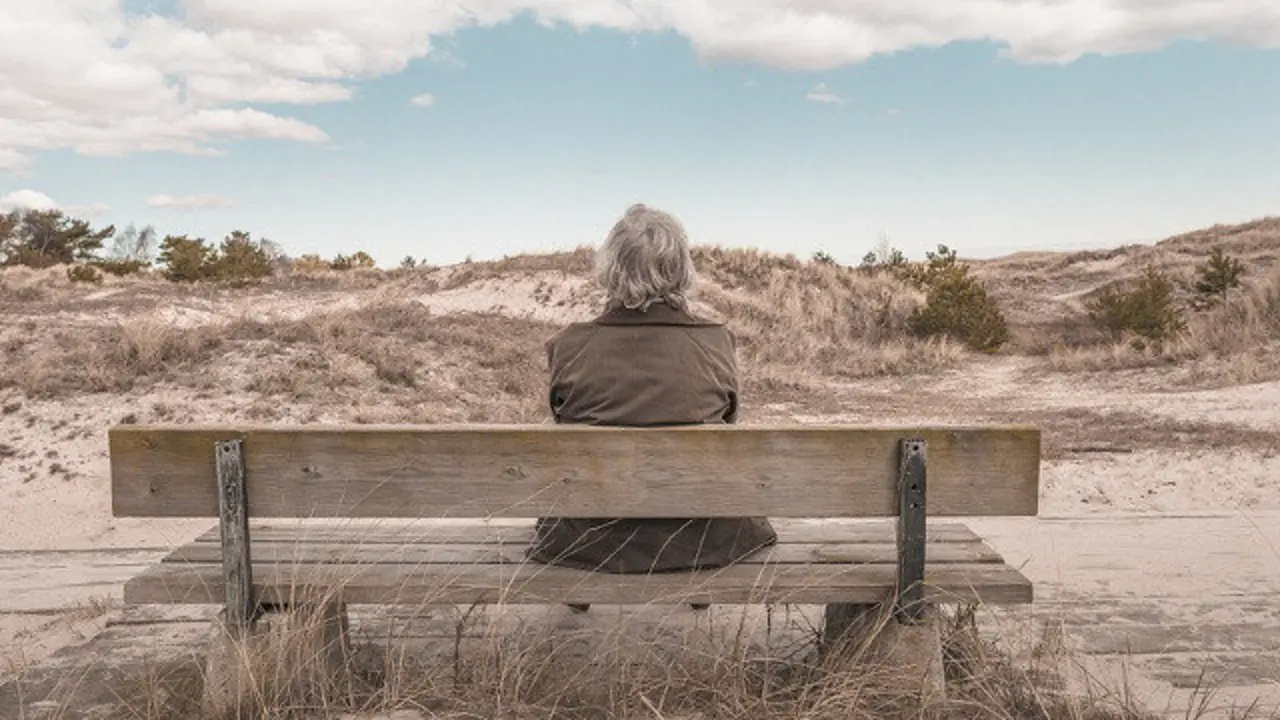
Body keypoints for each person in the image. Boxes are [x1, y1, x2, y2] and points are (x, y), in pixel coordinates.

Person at [526, 203, 778, 610]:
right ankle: (697, 588)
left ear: (611, 269)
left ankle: (581, 592)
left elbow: (564, 426)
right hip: (701, 537)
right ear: (681, 268)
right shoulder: (716, 343)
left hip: (591, 540)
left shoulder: (569, 346)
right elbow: (728, 426)